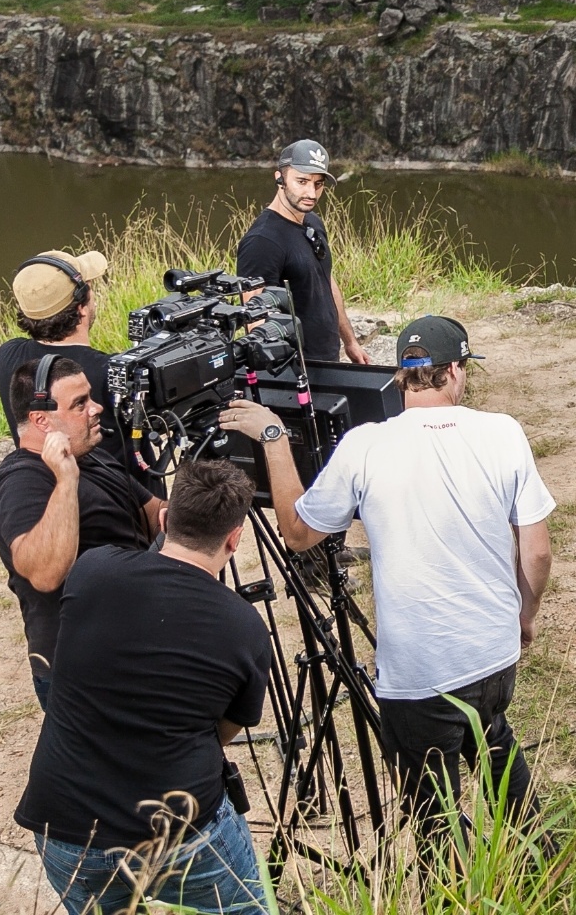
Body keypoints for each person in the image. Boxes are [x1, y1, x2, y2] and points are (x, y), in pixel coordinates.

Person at [220, 314, 552, 837]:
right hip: (495, 651)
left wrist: (274, 438)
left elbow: (298, 532)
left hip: (417, 674)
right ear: (456, 371)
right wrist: (524, 618)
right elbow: (536, 552)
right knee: (493, 741)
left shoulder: (365, 445)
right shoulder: (504, 432)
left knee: (432, 816)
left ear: (401, 376)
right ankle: (542, 866)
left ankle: (450, 892)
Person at [15, 458, 271, 915]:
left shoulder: (93, 570)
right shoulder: (244, 626)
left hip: (66, 827)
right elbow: (226, 728)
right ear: (235, 538)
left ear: (165, 518)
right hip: (181, 834)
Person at [0, 356, 161, 707]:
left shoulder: (90, 455)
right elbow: (45, 574)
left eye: (90, 397)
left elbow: (157, 517)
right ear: (41, 420)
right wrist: (65, 480)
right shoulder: (21, 482)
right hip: (83, 670)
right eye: (80, 403)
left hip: (135, 643)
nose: (96, 408)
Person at [0, 249, 135, 470]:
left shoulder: (7, 356)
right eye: (89, 285)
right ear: (82, 309)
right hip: (123, 497)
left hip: (42, 483)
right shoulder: (109, 371)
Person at [235, 139, 370, 365]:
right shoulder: (262, 241)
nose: (311, 193)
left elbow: (326, 281)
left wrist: (350, 342)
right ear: (279, 179)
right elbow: (254, 319)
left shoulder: (313, 221)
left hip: (327, 357)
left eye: (318, 184)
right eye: (302, 181)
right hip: (297, 368)